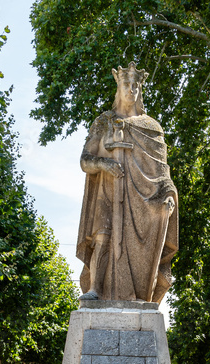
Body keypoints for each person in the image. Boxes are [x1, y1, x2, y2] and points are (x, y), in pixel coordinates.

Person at [77, 62, 179, 303]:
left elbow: (163, 173)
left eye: (135, 85)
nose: (131, 89)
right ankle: (96, 290)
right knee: (103, 236)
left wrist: (168, 196)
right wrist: (104, 164)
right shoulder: (104, 122)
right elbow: (84, 160)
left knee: (143, 239)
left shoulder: (152, 128)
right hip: (107, 192)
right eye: (126, 84)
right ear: (118, 87)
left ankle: (141, 295)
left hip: (140, 201)